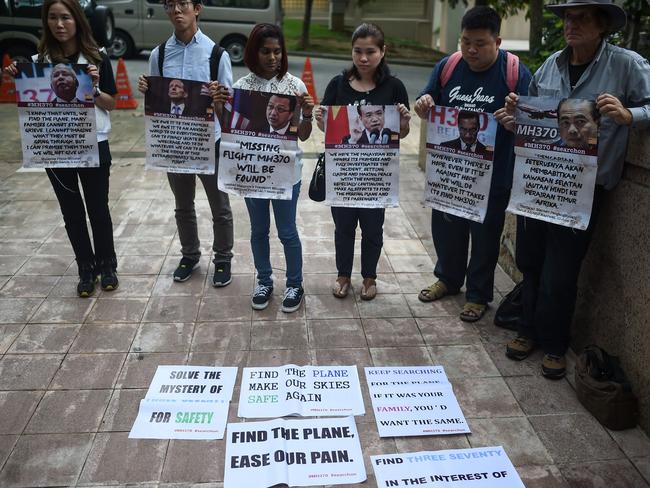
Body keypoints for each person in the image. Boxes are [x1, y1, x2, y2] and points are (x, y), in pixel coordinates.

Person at [495, 0, 650, 378]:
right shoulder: (550, 65)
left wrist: (630, 115)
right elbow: (537, 123)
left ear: (602, 25)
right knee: (530, 262)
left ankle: (553, 343)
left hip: (583, 189)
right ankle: (526, 330)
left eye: (581, 18)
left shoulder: (626, 65)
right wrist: (515, 115)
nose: (571, 24)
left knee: (561, 272)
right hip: (540, 183)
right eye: (567, 17)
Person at [415, 6, 531, 322]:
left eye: (480, 43)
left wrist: (516, 119)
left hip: (494, 176)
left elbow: (534, 124)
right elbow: (426, 104)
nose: (471, 50)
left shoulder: (515, 73)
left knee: (485, 238)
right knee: (446, 230)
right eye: (465, 41)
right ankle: (448, 279)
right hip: (450, 172)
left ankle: (478, 295)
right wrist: (423, 105)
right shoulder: (448, 66)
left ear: (498, 41)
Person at [3, 0, 119, 297]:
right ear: (46, 23)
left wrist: (92, 89)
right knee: (71, 212)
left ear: (77, 21)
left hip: (93, 142)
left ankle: (107, 266)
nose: (59, 24)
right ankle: (85, 268)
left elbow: (112, 103)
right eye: (53, 18)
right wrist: (15, 74)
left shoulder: (97, 58)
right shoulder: (36, 62)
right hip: (55, 147)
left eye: (66, 17)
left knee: (98, 209)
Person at [137, 0, 234, 286]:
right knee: (183, 205)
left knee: (220, 206)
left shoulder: (217, 54)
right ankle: (190, 255)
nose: (176, 10)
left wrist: (220, 98)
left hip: (209, 140)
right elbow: (158, 102)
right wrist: (147, 90)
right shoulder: (160, 53)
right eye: (170, 4)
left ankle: (223, 258)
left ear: (197, 8)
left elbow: (227, 110)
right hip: (175, 142)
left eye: (183, 4)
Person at [221, 23, 313, 312]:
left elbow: (304, 134)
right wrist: (219, 106)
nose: (272, 57)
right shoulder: (241, 87)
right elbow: (230, 131)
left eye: (277, 51)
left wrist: (307, 113)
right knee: (259, 229)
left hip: (287, 173)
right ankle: (264, 280)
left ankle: (295, 284)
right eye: (265, 51)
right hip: (253, 173)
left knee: (287, 231)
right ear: (253, 52)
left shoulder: (295, 86)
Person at [315, 22, 411, 301]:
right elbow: (328, 131)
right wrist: (322, 121)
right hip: (344, 173)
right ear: (351, 52)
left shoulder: (394, 87)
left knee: (372, 228)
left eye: (371, 51)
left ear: (383, 51)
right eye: (358, 51)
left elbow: (400, 133)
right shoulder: (338, 84)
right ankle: (343, 275)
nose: (364, 58)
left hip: (376, 176)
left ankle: (369, 277)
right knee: (343, 227)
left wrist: (403, 123)